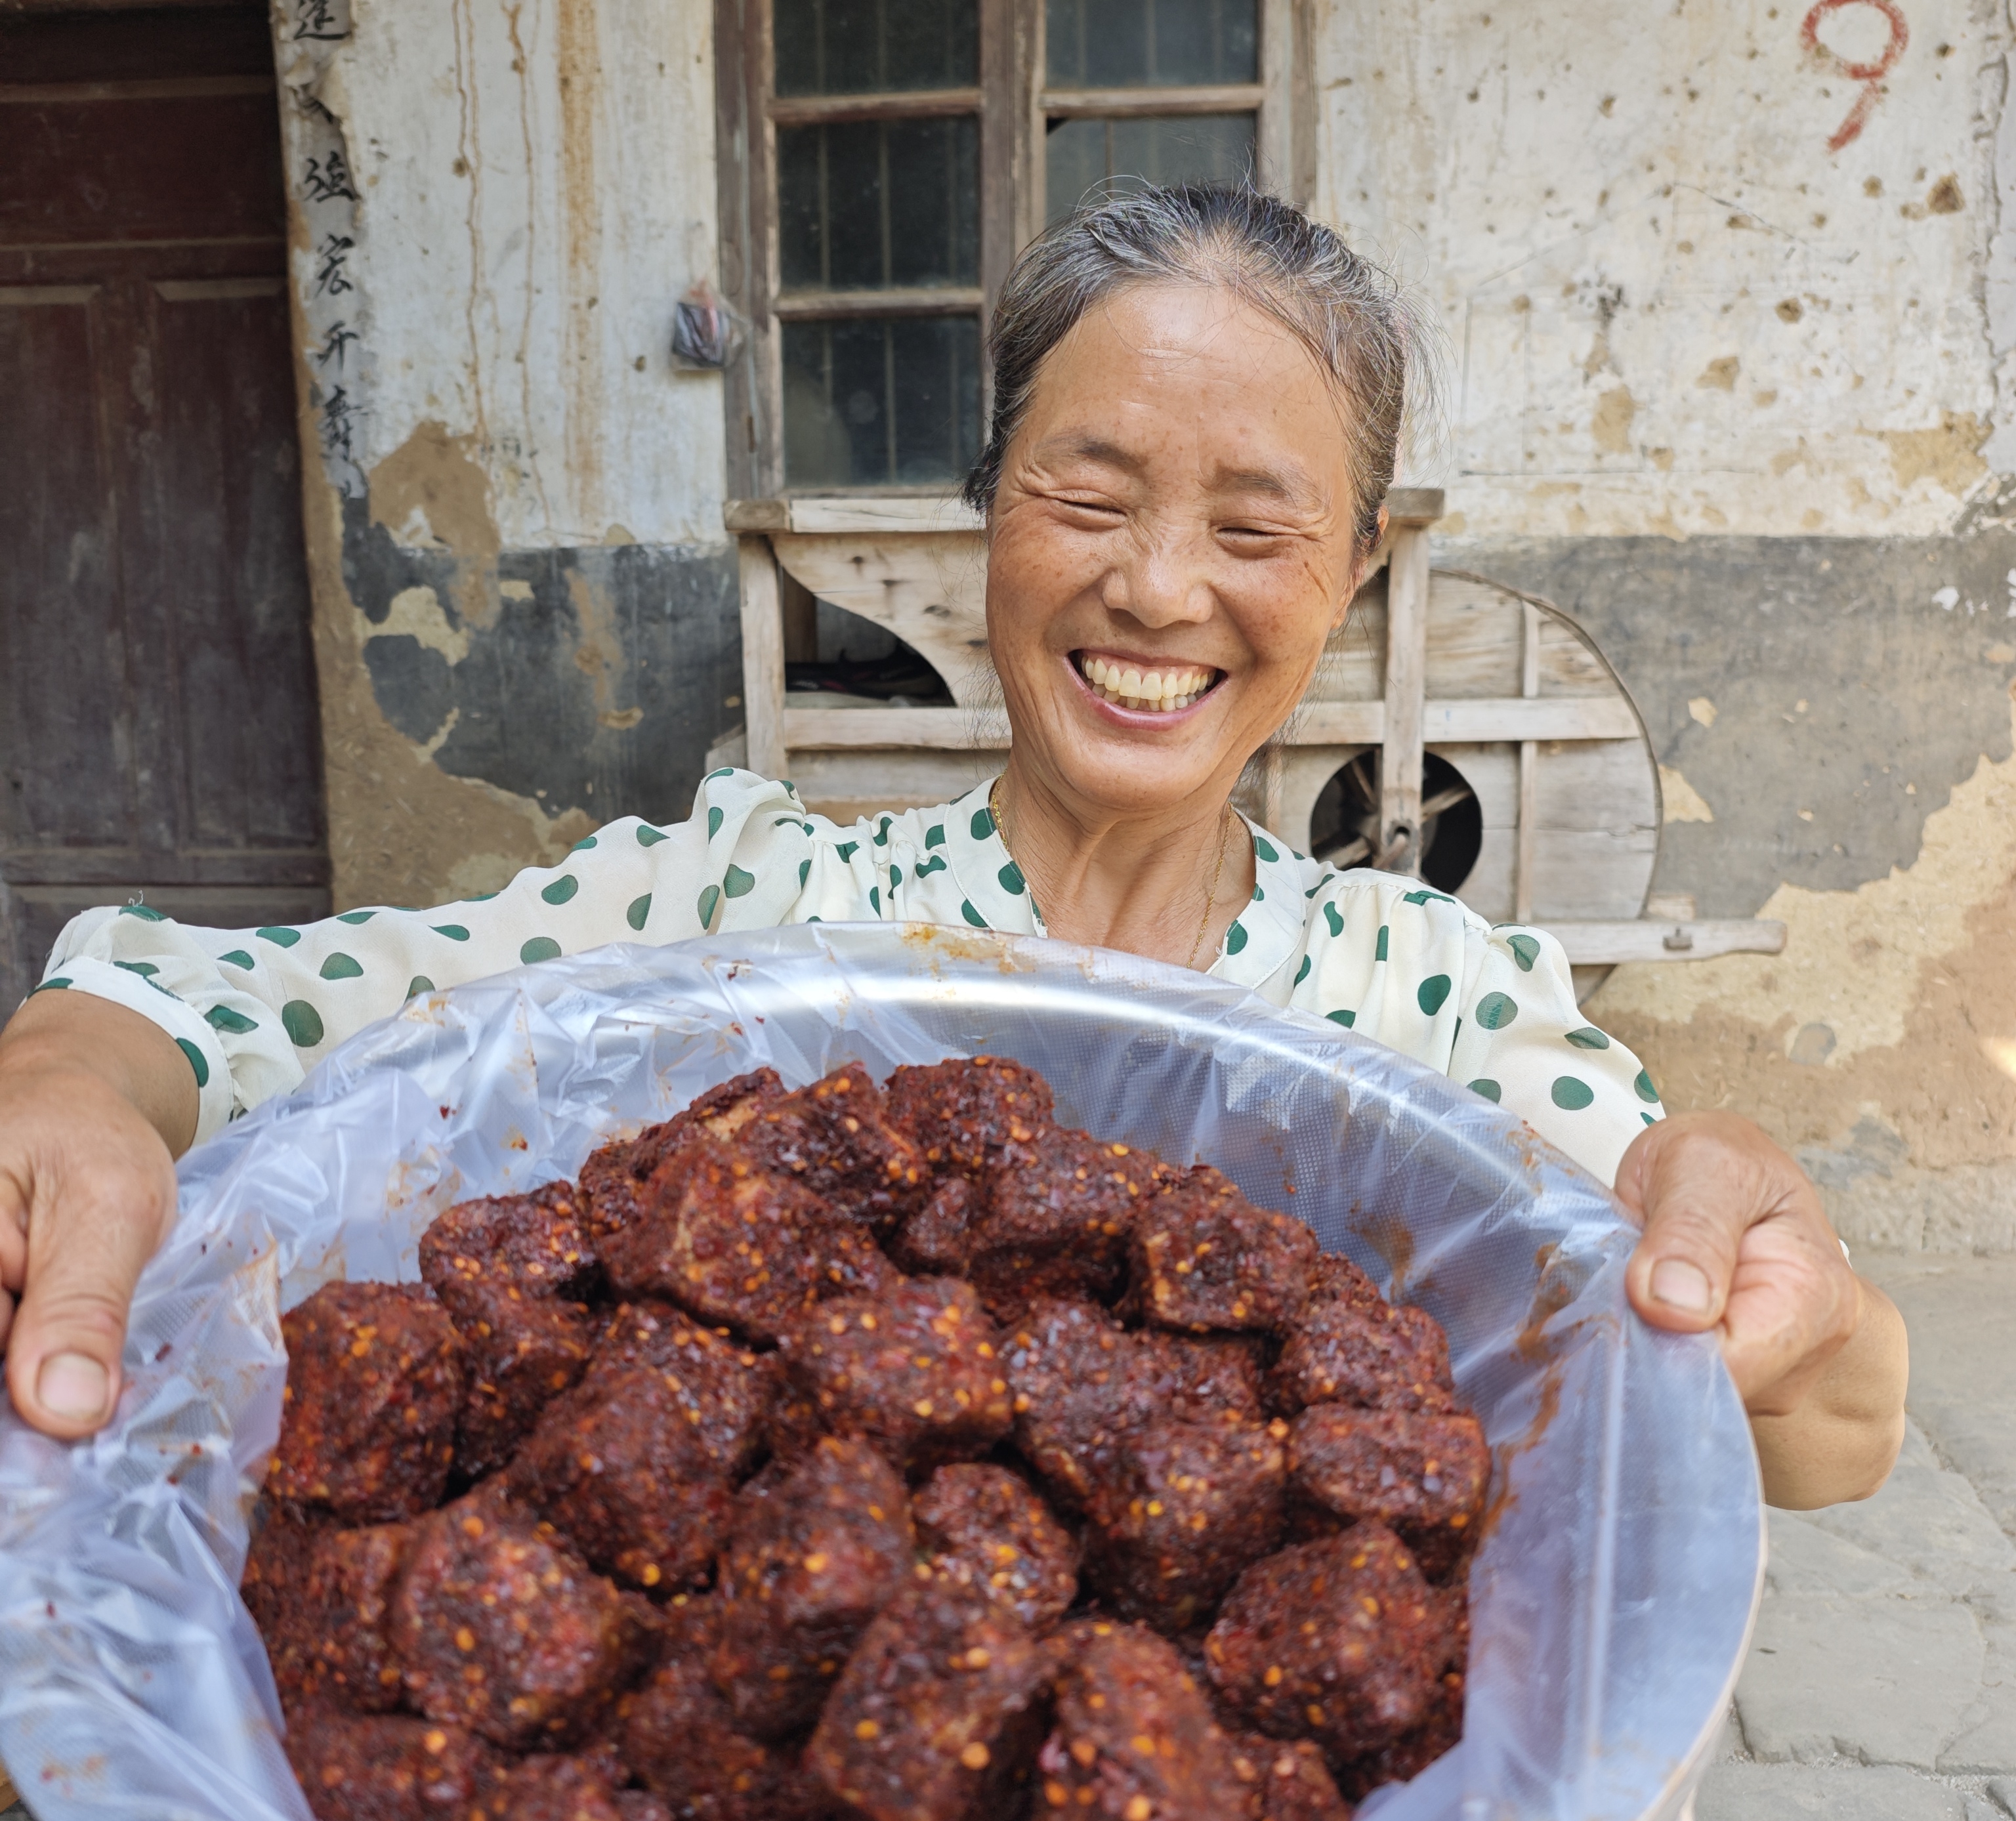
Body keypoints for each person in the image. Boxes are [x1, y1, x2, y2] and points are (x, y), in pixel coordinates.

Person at [0, 186, 1904, 1510]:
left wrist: (1771, 1260)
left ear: (1359, 574)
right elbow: (224, 1013)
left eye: (1256, 528)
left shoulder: (1428, 1006)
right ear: (986, 511)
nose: (1158, 588)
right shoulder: (752, 899)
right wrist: (64, 1085)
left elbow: (1827, 1435)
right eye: (1086, 493)